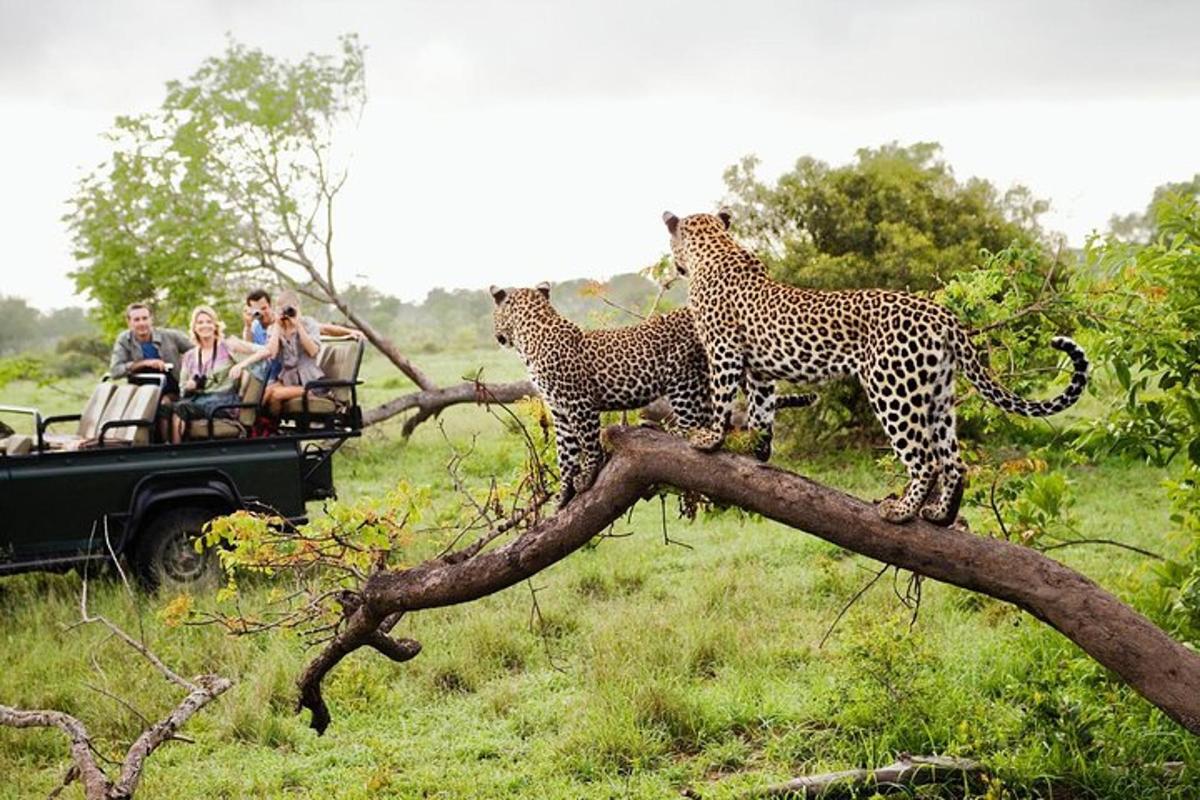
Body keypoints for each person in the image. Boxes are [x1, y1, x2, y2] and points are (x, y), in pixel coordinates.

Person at [171, 306, 268, 443]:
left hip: (223, 402)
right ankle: (177, 451)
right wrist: (190, 386)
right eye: (200, 322)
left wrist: (241, 365)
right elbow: (182, 388)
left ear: (215, 325)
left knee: (182, 408)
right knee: (173, 407)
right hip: (199, 400)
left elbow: (265, 351)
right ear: (194, 327)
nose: (205, 326)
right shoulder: (189, 356)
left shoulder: (227, 346)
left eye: (208, 322)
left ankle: (177, 454)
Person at [261, 291, 329, 417]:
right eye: (283, 309)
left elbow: (313, 351)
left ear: (298, 308)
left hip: (311, 383)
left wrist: (298, 326)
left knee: (276, 394)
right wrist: (277, 326)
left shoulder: (308, 323)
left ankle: (271, 429)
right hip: (288, 380)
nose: (287, 313)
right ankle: (260, 428)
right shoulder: (275, 328)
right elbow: (272, 354)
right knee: (265, 392)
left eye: (290, 308)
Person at [108, 303, 193, 396]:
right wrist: (144, 363)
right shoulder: (124, 340)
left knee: (164, 404)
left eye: (145, 318)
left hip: (171, 389)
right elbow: (115, 371)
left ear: (151, 319)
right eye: (136, 320)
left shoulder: (170, 336)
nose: (142, 323)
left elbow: (198, 351)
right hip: (140, 391)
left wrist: (188, 368)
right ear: (129, 322)